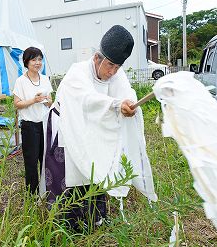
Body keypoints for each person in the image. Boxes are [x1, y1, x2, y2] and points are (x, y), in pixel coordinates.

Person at [42, 25, 157, 232]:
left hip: (93, 128)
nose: (112, 72)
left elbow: (126, 92)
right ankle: (68, 222)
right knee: (70, 172)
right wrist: (115, 105)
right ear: (97, 58)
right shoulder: (78, 72)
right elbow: (86, 99)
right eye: (110, 65)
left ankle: (95, 217)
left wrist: (129, 104)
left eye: (117, 67)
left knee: (97, 164)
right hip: (68, 127)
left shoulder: (115, 74)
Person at [13, 47, 52, 195]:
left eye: (40, 59)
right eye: (34, 59)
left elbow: (50, 102)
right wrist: (33, 100)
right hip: (29, 126)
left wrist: (46, 101)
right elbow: (17, 104)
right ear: (26, 62)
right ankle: (33, 194)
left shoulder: (45, 79)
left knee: (45, 158)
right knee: (31, 161)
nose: (38, 63)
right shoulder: (21, 81)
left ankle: (46, 191)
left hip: (44, 124)